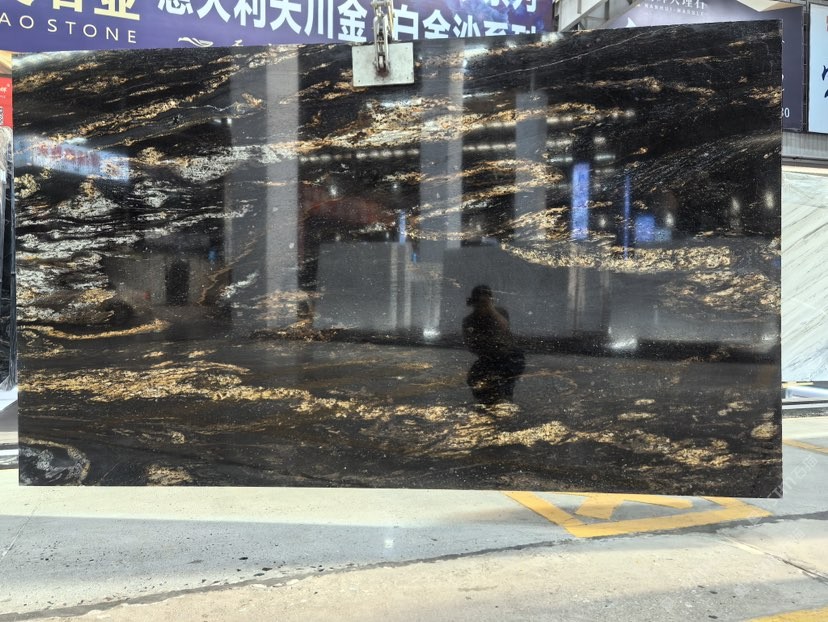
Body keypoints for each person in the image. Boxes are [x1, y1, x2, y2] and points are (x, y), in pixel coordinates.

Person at [462, 285, 525, 405]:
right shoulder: (469, 320)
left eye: (485, 301)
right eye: (479, 302)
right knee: (475, 381)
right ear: (474, 302)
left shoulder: (499, 313)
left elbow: (504, 326)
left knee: (503, 386)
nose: (482, 306)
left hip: (510, 357)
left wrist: (491, 309)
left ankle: (503, 402)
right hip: (488, 359)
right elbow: (470, 345)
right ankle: (485, 403)